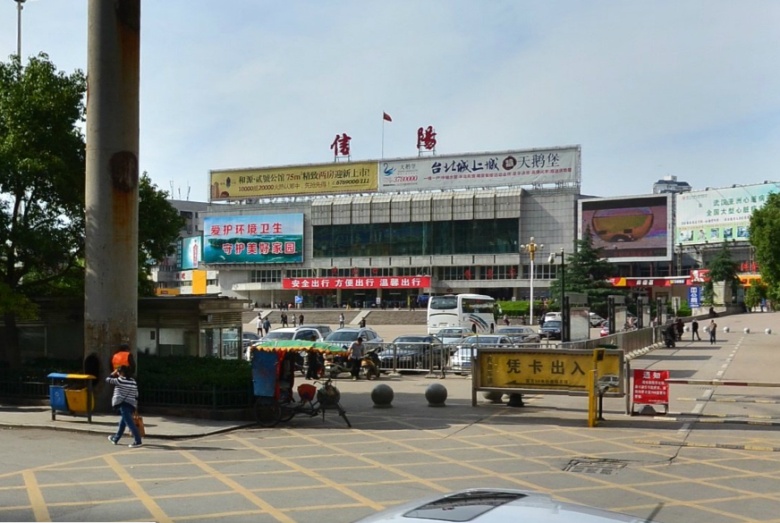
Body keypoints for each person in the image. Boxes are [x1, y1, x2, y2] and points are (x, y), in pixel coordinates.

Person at [106, 365, 142, 448]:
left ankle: (138, 441)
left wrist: (113, 373)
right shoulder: (133, 381)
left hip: (123, 404)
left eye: (118, 372)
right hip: (131, 404)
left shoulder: (120, 380)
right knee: (122, 423)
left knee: (130, 423)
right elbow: (136, 394)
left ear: (122, 372)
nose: (117, 373)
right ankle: (115, 439)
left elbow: (107, 380)